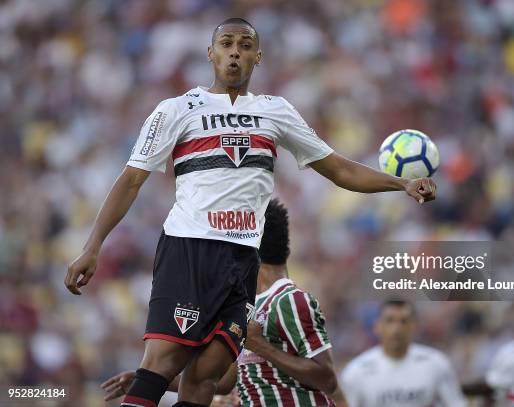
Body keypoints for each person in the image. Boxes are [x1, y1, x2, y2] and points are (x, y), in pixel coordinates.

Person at [64, 17, 432, 404]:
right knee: (162, 361)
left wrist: (401, 184)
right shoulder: (177, 109)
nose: (234, 51)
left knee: (207, 377)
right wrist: (93, 246)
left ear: (258, 56)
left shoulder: (276, 112)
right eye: (226, 44)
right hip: (190, 248)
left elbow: (339, 169)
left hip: (243, 261)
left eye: (244, 44)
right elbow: (131, 179)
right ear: (211, 54)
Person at [101, 199, 347, 406]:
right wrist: (153, 381)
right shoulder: (242, 307)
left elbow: (328, 379)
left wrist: (262, 347)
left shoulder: (289, 301)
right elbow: (225, 381)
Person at [341, 300, 466, 407]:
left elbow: (456, 403)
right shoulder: (356, 371)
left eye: (403, 321)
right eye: (390, 321)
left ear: (414, 326)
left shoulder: (436, 363)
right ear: (377, 327)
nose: (397, 328)